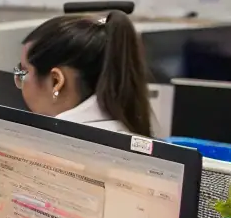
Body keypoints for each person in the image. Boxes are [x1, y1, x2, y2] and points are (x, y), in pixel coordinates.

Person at [15, 10, 152, 135]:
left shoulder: (55, 145)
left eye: (23, 72)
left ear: (56, 81)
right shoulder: (124, 130)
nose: (19, 81)